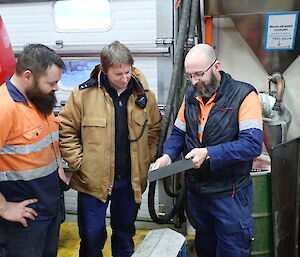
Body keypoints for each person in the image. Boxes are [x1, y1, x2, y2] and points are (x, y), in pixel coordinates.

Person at [152, 43, 263, 257]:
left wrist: (209, 153)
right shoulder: (190, 95)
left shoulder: (244, 95)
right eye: (189, 76)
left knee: (232, 250)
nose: (194, 81)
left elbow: (252, 144)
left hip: (229, 195)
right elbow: (177, 133)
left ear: (216, 66)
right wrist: (167, 155)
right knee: (205, 248)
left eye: (199, 74)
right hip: (198, 194)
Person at [58, 41, 162, 257]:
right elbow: (66, 130)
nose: (125, 78)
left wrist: (147, 158)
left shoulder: (144, 95)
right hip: (93, 182)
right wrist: (80, 163)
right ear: (104, 70)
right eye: (118, 74)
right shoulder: (82, 95)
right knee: (91, 236)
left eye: (128, 72)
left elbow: (154, 129)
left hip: (129, 182)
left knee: (124, 235)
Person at [0, 44, 67, 257]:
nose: (57, 87)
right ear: (28, 76)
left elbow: (48, 139)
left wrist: (58, 167)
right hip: (22, 222)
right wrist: (3, 208)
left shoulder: (39, 99)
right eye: (52, 82)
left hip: (48, 208)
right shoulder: (5, 108)